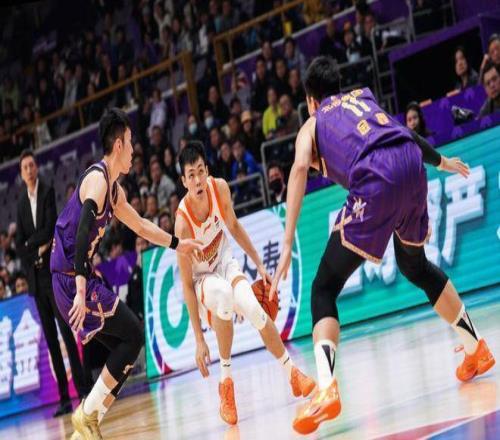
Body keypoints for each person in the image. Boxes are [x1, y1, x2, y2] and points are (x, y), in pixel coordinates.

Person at [270, 57, 495, 435]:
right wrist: (441, 161)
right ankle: (476, 349)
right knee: (415, 266)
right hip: (411, 165)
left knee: (324, 287)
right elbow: (404, 134)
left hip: (377, 177)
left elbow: (298, 169)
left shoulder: (312, 123)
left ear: (310, 100)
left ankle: (325, 389)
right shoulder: (363, 99)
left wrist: (288, 238)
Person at [50, 108, 201, 439]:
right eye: (130, 142)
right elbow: (82, 232)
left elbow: (143, 226)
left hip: (77, 277)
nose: (134, 150)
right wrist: (80, 291)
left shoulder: (114, 191)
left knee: (128, 344)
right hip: (70, 279)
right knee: (133, 333)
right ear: (118, 145)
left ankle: (86, 426)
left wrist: (178, 244)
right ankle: (85, 414)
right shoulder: (96, 180)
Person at [175, 143, 315, 426]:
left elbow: (235, 227)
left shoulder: (219, 189)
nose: (198, 180)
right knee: (224, 295)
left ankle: (292, 373)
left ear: (207, 170)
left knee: (254, 308)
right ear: (184, 181)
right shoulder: (182, 223)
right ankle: (225, 385)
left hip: (224, 261)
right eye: (191, 175)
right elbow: (187, 285)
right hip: (202, 280)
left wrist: (259, 264)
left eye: (201, 171)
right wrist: (199, 339)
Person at [16, 149, 90, 417]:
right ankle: (64, 398)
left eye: (31, 165)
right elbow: (19, 243)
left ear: (36, 168)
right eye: (25, 167)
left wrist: (32, 244)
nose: (29, 170)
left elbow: (49, 229)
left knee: (66, 333)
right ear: (21, 173)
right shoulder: (20, 204)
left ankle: (83, 390)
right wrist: (34, 248)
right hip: (36, 282)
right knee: (50, 340)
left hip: (52, 276)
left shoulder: (47, 192)